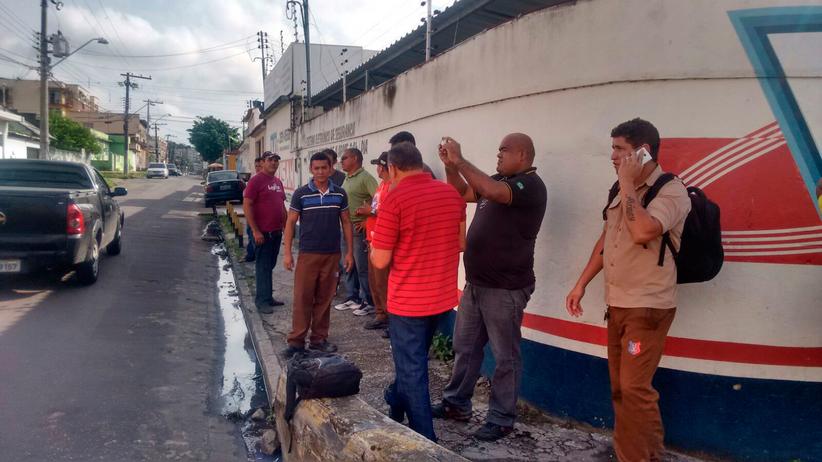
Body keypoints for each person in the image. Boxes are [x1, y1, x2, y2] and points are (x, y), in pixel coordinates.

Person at [566, 118, 690, 462]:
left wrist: (627, 183)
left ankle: (647, 456)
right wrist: (581, 284)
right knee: (621, 389)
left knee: (635, 388)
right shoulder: (621, 189)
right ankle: (631, 454)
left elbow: (643, 231)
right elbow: (608, 238)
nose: (612, 156)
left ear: (642, 151)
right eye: (613, 148)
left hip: (648, 307)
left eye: (619, 149)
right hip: (618, 303)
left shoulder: (671, 190)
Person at [434, 133, 547, 441]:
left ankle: (501, 417)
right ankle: (456, 404)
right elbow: (461, 192)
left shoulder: (529, 186)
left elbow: (493, 192)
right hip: (476, 284)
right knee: (465, 347)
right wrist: (450, 166)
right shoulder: (497, 180)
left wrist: (460, 159)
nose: (498, 155)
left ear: (522, 155)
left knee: (505, 356)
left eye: (504, 150)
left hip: (505, 289)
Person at [370, 142, 466, 442]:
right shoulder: (450, 194)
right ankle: (395, 400)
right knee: (412, 361)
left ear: (393, 167)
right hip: (441, 298)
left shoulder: (395, 199)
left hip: (408, 302)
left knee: (412, 370)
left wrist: (375, 243)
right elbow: (461, 242)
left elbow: (380, 260)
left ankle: (426, 438)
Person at [282, 152, 354, 356]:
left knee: (325, 298)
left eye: (324, 168)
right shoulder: (301, 194)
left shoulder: (340, 194)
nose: (321, 172)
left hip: (332, 255)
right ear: (311, 170)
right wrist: (287, 253)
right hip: (308, 254)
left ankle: (318, 339)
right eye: (317, 168)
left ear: (331, 168)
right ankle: (296, 342)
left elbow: (346, 222)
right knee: (302, 298)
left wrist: (349, 253)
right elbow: (290, 223)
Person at [334, 147, 378, 315]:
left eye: (344, 158)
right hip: (346, 227)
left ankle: (368, 301)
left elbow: (379, 201)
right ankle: (353, 297)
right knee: (348, 263)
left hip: (358, 229)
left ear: (355, 159)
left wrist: (368, 220)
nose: (341, 161)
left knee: (361, 266)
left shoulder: (366, 178)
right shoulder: (347, 178)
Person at [242, 151, 287, 314]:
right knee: (262, 267)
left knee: (270, 265)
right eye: (270, 160)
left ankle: (268, 297)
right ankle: (261, 301)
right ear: (263, 162)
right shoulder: (256, 181)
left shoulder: (277, 182)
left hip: (276, 232)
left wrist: (286, 227)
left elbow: (281, 206)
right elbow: (247, 205)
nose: (273, 163)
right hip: (263, 233)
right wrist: (255, 230)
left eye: (276, 160)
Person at [356, 151, 391, 334]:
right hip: (372, 239)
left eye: (379, 165)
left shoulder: (392, 186)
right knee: (375, 281)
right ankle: (381, 314)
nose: (377, 168)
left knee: (383, 282)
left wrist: (371, 211)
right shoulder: (382, 185)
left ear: (384, 167)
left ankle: (390, 318)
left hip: (382, 242)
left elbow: (389, 212)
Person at [244, 156, 264, 262]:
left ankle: (255, 256)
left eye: (260, 166)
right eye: (256, 166)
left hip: (261, 216)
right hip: (251, 214)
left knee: (256, 237)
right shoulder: (253, 179)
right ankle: (251, 255)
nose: (257, 168)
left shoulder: (267, 180)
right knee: (250, 234)